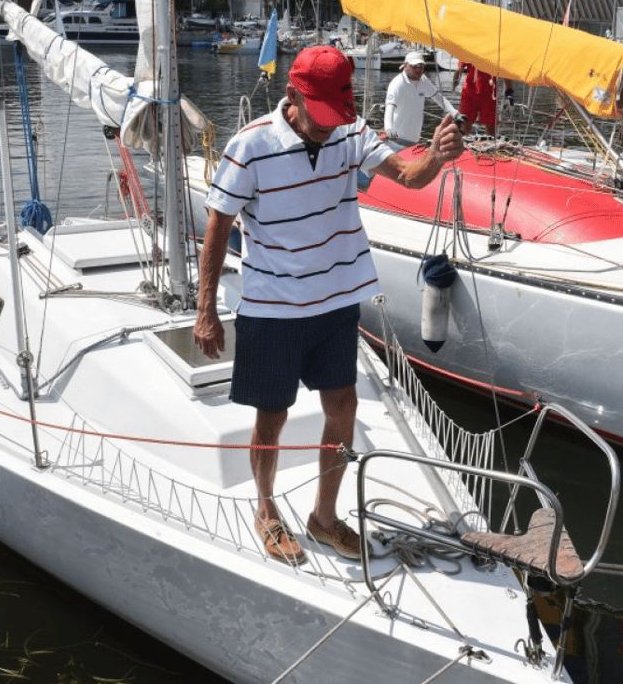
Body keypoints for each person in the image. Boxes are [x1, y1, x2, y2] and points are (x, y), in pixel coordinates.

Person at [193, 46, 464, 566]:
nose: (328, 128)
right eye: (320, 117)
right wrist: (206, 310)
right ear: (292, 97)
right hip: (272, 306)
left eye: (336, 115)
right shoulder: (249, 146)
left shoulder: (349, 131)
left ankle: (324, 516)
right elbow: (217, 226)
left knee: (344, 407)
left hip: (336, 300)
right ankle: (267, 509)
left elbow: (408, 176)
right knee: (272, 414)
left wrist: (437, 154)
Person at [383, 51, 457, 149]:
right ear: (405, 66)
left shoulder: (424, 80)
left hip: (415, 139)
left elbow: (439, 98)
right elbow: (389, 109)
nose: (418, 69)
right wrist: (389, 129)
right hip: (397, 139)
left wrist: (455, 113)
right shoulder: (397, 83)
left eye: (421, 66)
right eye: (414, 66)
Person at [452, 61, 498, 136]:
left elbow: (506, 70)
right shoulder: (471, 50)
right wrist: (455, 82)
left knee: (490, 126)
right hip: (469, 93)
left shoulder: (497, 51)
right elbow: (459, 68)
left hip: (489, 94)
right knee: (465, 122)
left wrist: (509, 89)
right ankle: (462, 144)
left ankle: (492, 145)